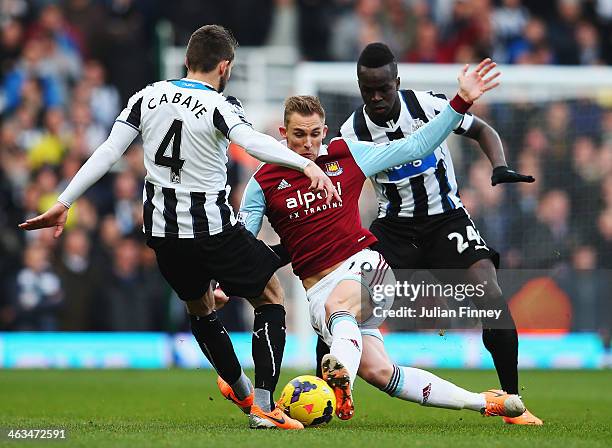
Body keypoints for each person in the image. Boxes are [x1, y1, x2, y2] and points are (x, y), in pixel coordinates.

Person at [19, 24, 340, 430]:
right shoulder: (220, 106)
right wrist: (306, 163)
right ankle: (262, 403)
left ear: (187, 60)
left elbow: (107, 151)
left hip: (163, 234)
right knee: (271, 297)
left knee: (200, 308)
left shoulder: (146, 95)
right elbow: (252, 142)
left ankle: (240, 391)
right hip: (213, 230)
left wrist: (64, 201)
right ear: (225, 67)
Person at [236, 61, 525, 421]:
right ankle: (486, 402)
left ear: (325, 131)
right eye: (298, 135)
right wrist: (226, 281)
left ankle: (340, 386)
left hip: (366, 268)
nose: (308, 144)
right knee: (383, 373)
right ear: (283, 132)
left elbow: (417, 143)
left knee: (338, 307)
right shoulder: (262, 181)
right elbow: (244, 240)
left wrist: (461, 101)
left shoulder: (347, 153)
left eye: (315, 134)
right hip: (318, 292)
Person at [325, 42, 541, 425]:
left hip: (446, 221)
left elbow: (481, 129)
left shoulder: (428, 106)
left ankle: (513, 403)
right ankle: (325, 396)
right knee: (343, 302)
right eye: (367, 89)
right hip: (393, 229)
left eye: (383, 88)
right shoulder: (351, 131)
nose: (375, 97)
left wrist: (500, 165)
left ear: (397, 81)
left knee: (491, 298)